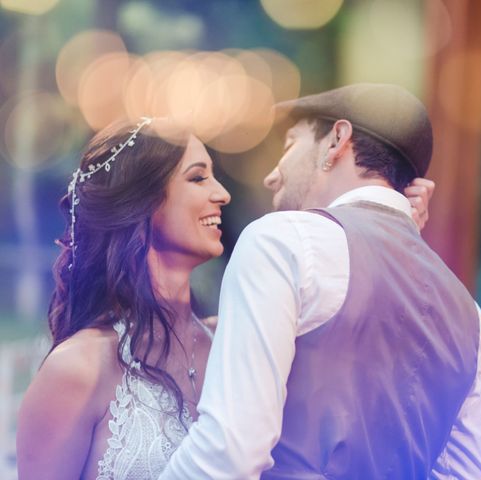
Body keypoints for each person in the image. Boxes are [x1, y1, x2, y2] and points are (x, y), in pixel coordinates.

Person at [16, 116, 433, 480]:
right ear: (140, 200)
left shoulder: (235, 341)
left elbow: (359, 366)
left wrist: (392, 232)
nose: (222, 194)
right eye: (198, 177)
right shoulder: (79, 367)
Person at [160, 83, 481, 480]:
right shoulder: (472, 318)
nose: (271, 176)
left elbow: (230, 452)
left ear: (337, 139)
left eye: (289, 144)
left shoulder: (281, 241)